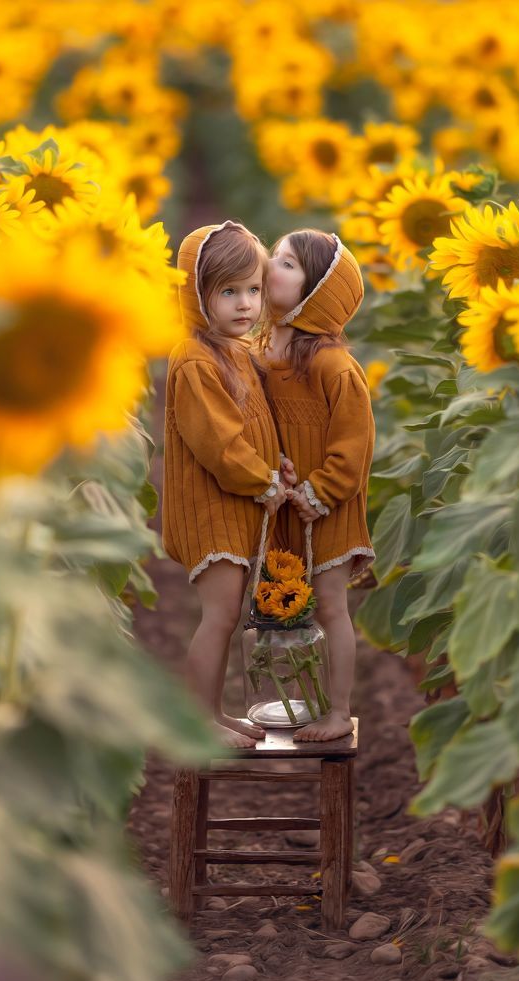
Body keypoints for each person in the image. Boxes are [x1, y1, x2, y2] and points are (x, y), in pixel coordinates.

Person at [162, 220, 289, 748]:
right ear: (197, 296)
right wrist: (262, 480)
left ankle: (214, 712)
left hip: (234, 503)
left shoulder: (235, 350)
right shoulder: (194, 360)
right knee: (218, 616)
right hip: (210, 508)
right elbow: (218, 442)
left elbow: (254, 425)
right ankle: (199, 722)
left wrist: (277, 465)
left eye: (253, 290)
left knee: (229, 613)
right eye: (228, 292)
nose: (245, 304)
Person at [254, 228, 375, 742]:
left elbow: (354, 442)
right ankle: (293, 701)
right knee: (283, 606)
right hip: (280, 505)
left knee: (329, 606)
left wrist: (318, 492)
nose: (271, 266)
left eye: (287, 263)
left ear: (317, 291)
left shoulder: (332, 364)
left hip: (326, 507)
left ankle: (337, 710)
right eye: (273, 256)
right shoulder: (259, 351)